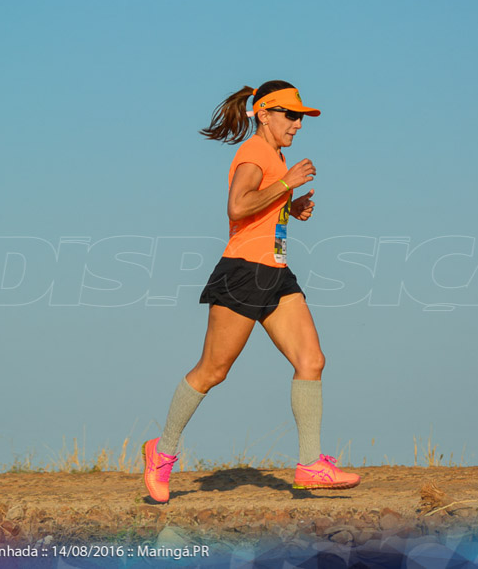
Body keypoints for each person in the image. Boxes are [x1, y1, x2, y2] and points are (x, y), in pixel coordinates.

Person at [142, 80, 360, 503]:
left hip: (275, 272)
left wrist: (289, 209)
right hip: (242, 272)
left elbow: (259, 212)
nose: (298, 124)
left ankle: (311, 464)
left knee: (311, 360)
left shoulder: (276, 155)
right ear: (264, 114)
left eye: (301, 117)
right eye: (290, 115)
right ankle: (162, 450)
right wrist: (286, 186)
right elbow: (238, 206)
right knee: (213, 371)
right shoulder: (255, 152)